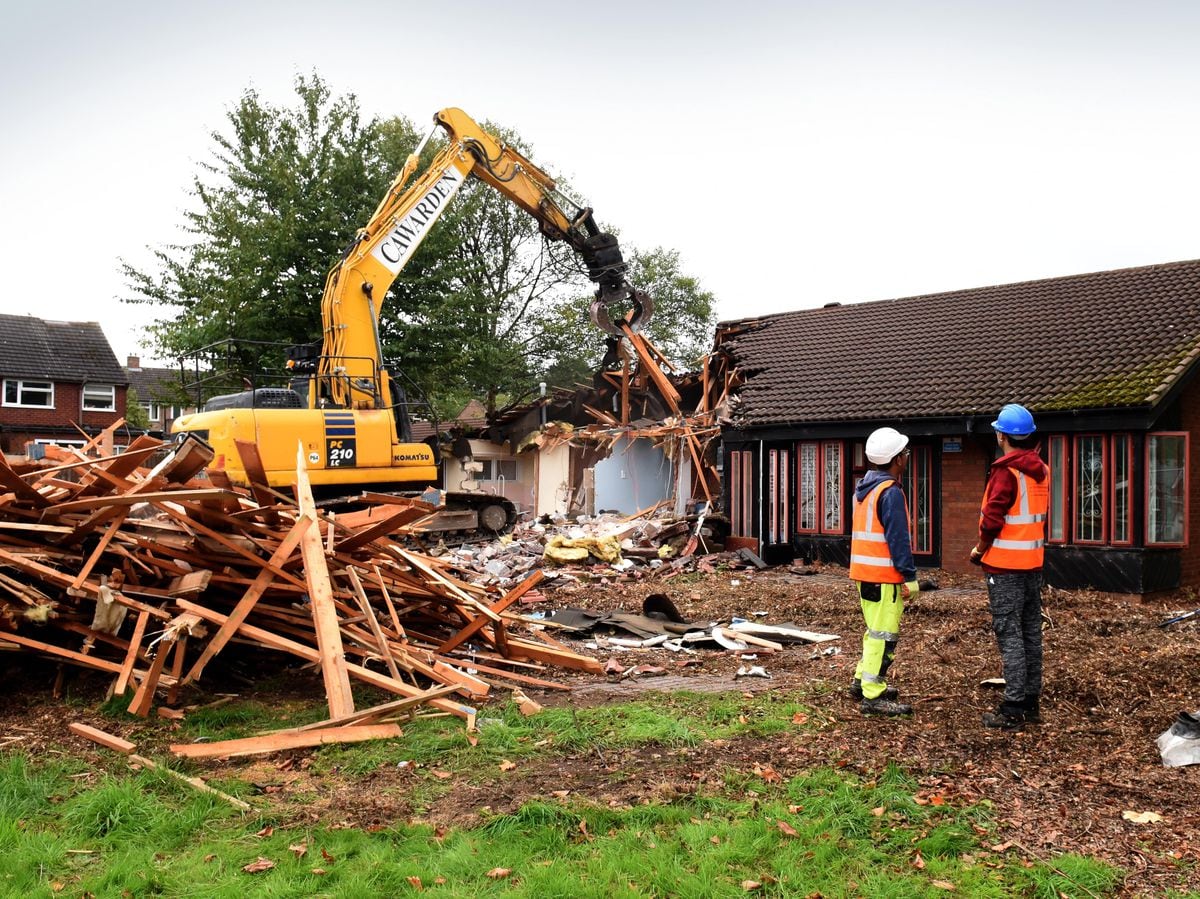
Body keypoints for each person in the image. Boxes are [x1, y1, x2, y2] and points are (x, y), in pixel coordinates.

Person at [970, 403, 1049, 732]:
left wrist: (980, 549)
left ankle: (1014, 705)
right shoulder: (1041, 469)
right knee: (1030, 632)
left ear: (1002, 435)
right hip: (1033, 564)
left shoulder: (1006, 471)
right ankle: (1030, 700)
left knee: (1010, 633)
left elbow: (993, 518)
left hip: (1004, 567)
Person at [849, 427, 919, 717]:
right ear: (896, 459)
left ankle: (861, 682)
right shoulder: (889, 493)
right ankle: (873, 695)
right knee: (884, 636)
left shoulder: (864, 490)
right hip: (884, 578)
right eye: (904, 453)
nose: (906, 458)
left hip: (865, 574)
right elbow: (898, 539)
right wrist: (909, 576)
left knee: (873, 632)